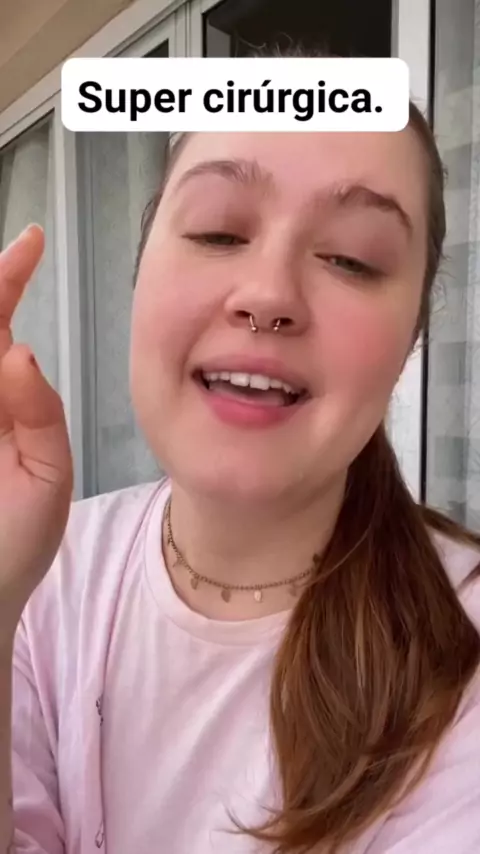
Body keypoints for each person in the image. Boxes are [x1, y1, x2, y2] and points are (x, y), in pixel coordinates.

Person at [1, 46, 480, 854]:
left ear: (410, 342)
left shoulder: (462, 655)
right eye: (219, 232)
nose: (268, 295)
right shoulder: (44, 574)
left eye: (351, 258)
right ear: (139, 277)